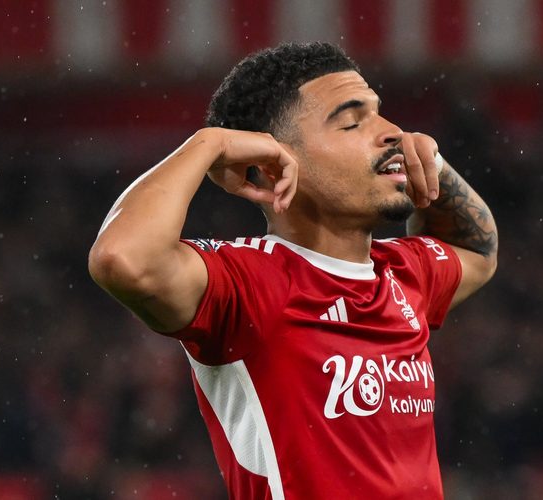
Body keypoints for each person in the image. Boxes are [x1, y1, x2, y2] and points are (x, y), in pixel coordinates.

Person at [88, 42, 497, 499]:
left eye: (380, 115)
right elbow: (123, 259)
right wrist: (210, 143)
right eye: (352, 122)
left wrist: (435, 167)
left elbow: (477, 248)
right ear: (268, 166)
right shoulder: (248, 282)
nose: (393, 133)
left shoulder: (405, 273)